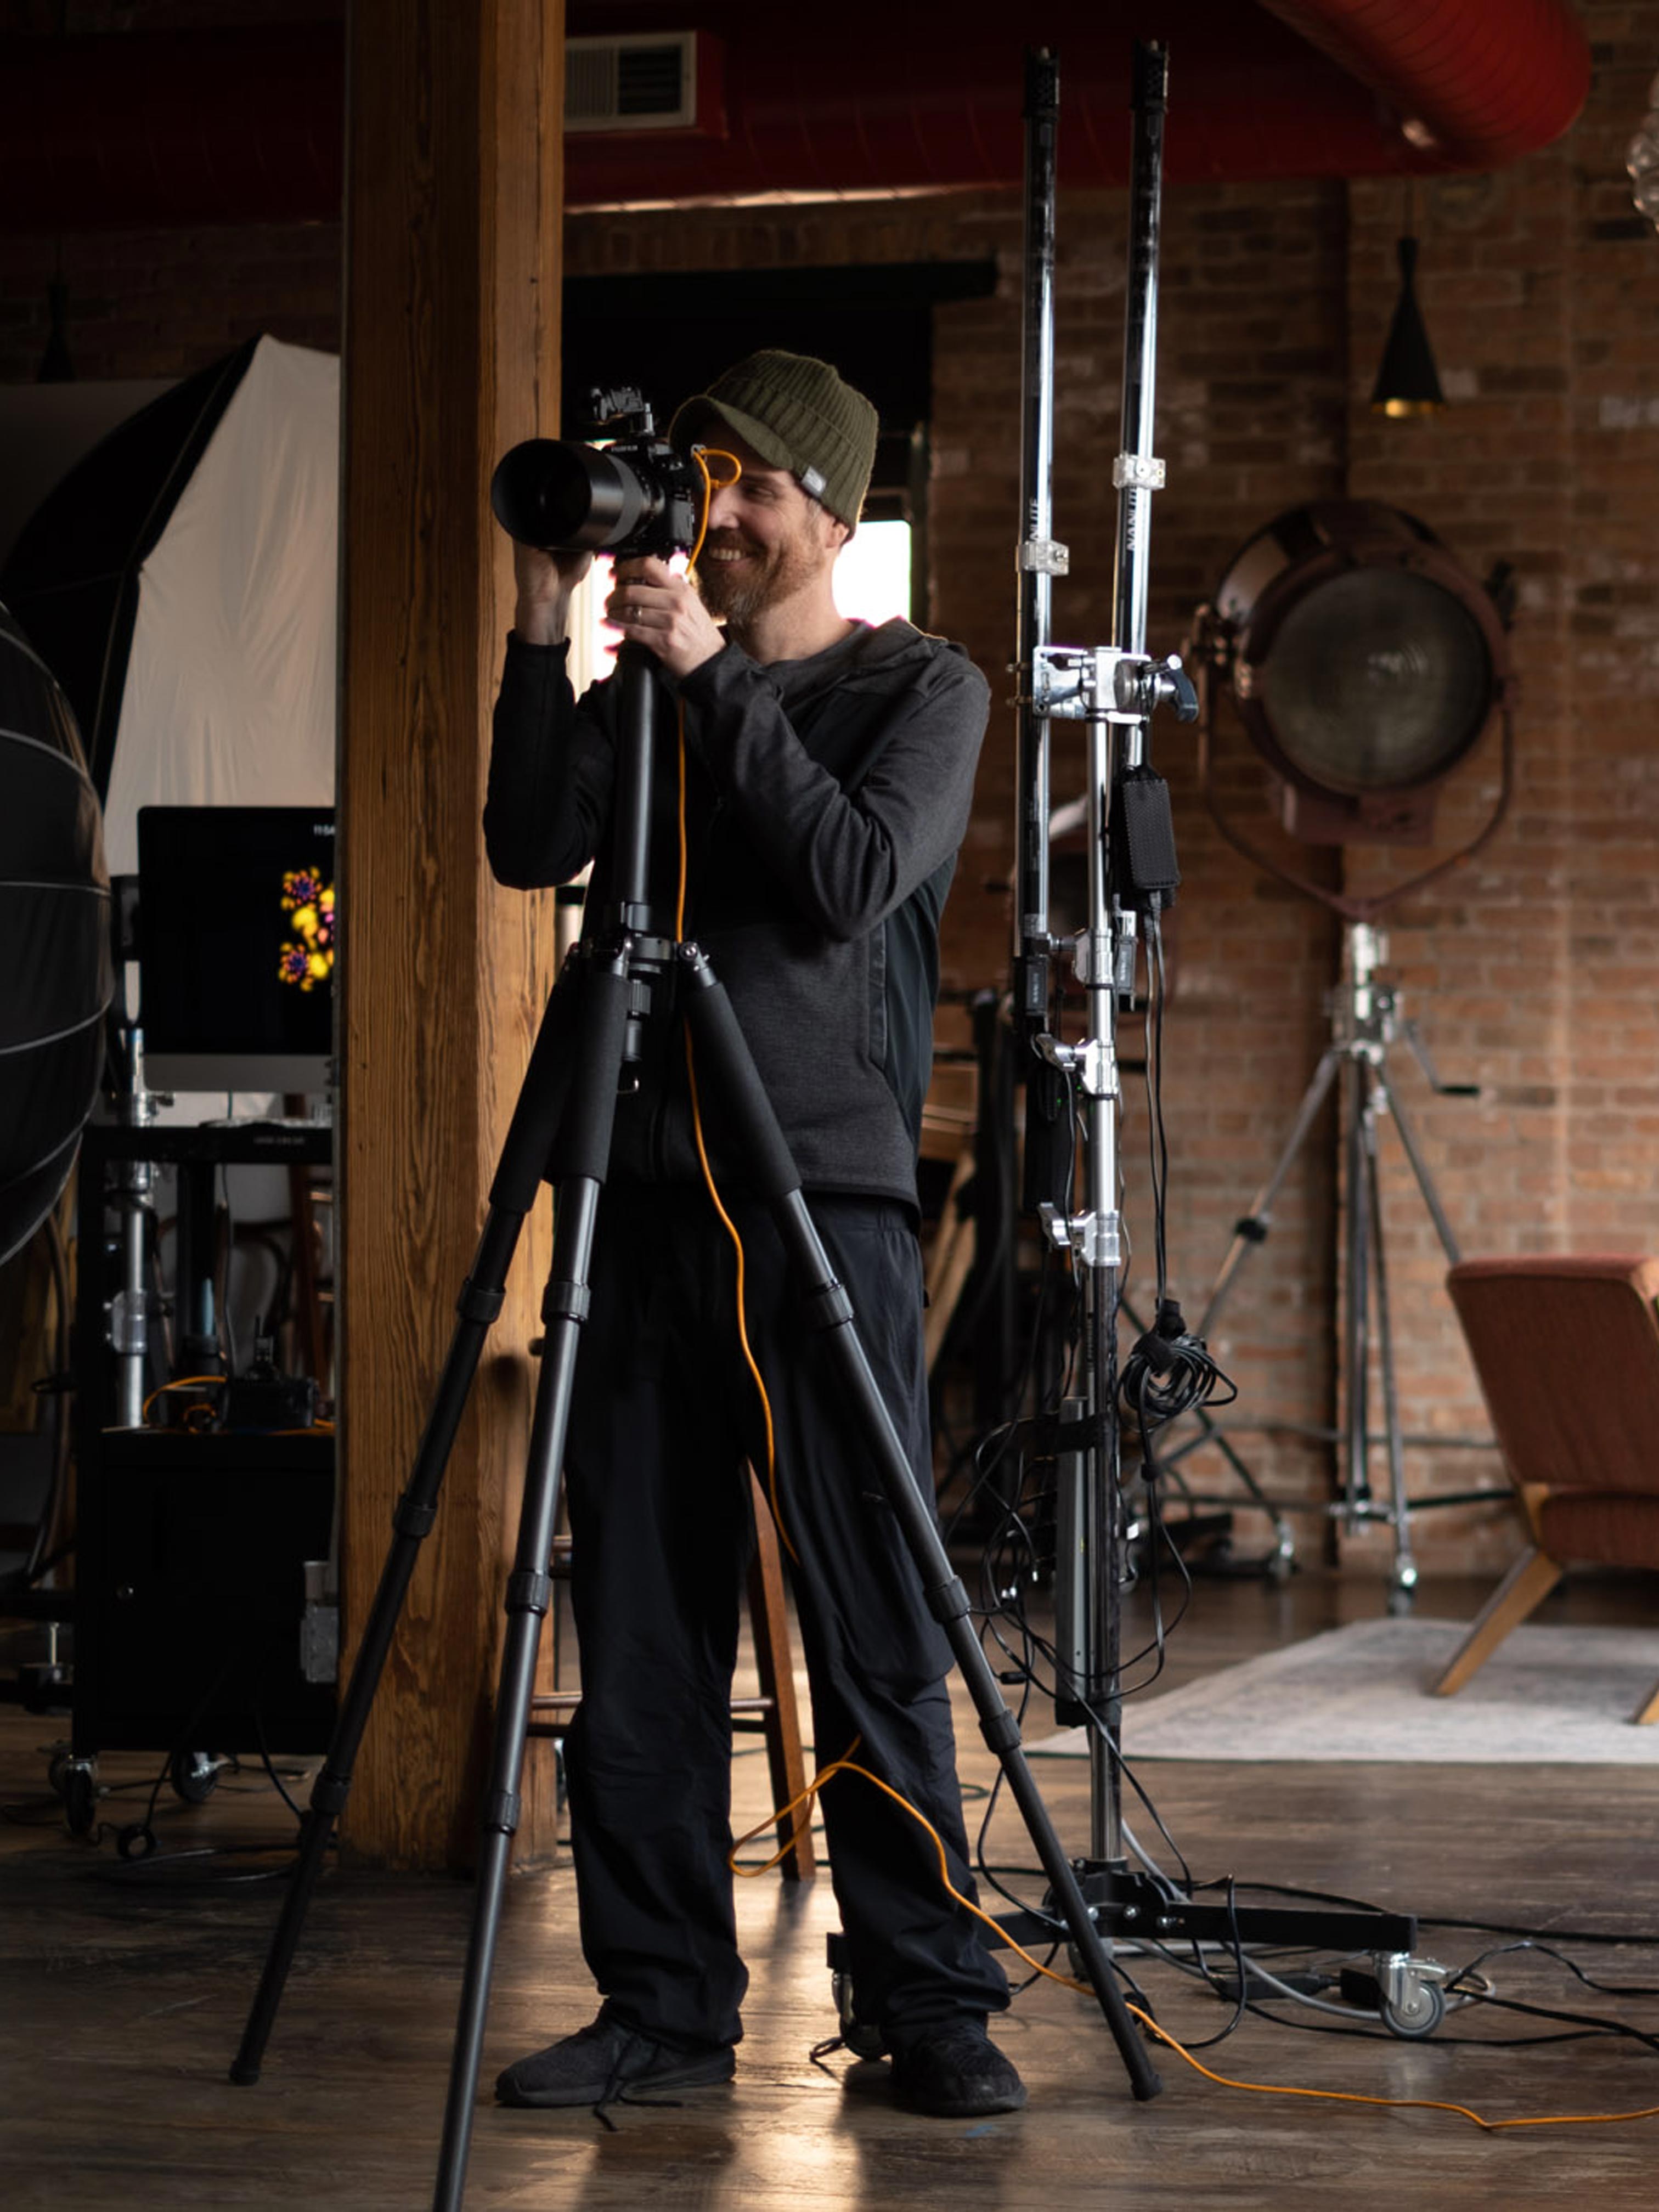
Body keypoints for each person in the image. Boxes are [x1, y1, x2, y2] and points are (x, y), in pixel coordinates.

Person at [483, 349, 1022, 2120]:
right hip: (636, 1191)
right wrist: (541, 622)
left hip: (824, 1198)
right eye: (692, 476)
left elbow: (852, 880)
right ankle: (658, 2007)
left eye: (748, 487)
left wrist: (711, 682)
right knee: (637, 1621)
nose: (712, 514)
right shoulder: (646, 685)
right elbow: (523, 841)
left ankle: (932, 2004)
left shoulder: (923, 688)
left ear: (830, 518)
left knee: (873, 1613)